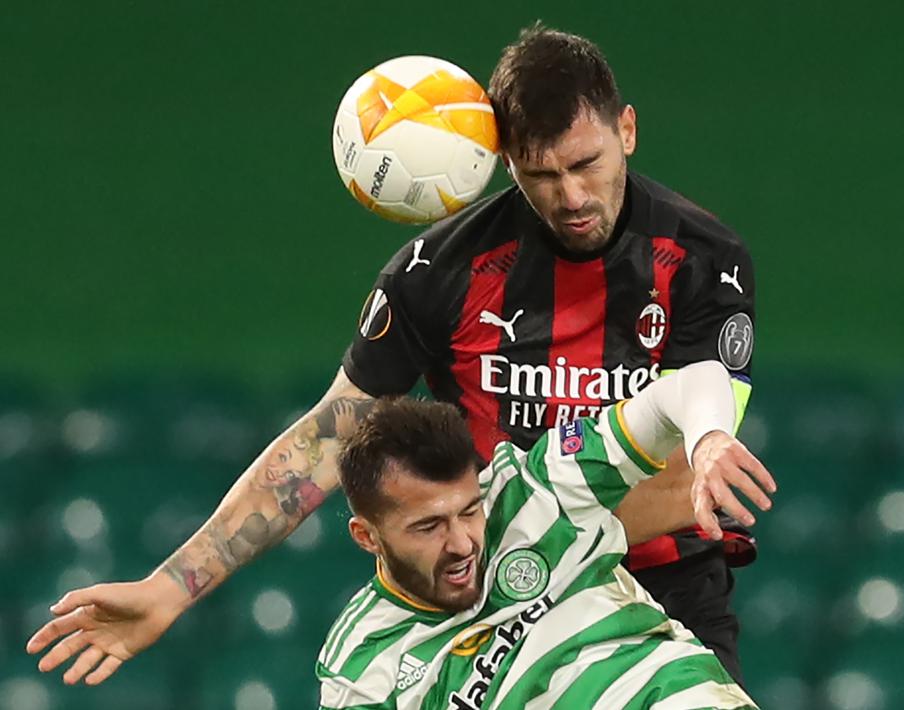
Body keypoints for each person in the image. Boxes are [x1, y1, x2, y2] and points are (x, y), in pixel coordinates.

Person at [26, 23, 757, 686]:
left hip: (658, 595)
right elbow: (323, 444)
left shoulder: (702, 259)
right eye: (540, 174)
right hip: (486, 616)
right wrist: (168, 589)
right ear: (503, 163)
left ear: (625, 130)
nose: (569, 195)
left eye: (585, 164)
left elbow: (691, 471)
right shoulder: (437, 274)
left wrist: (540, 536)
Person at [320, 361, 772, 709]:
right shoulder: (361, 672)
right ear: (367, 536)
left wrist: (708, 437)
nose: (461, 544)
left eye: (469, 511)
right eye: (428, 526)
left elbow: (696, 380)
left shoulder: (535, 491)